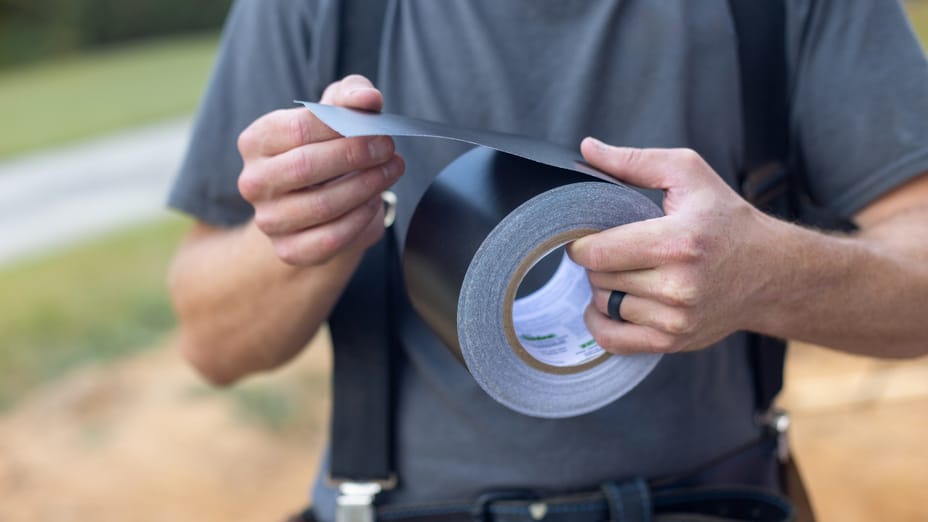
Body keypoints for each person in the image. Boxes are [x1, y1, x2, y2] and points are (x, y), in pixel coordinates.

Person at [167, 1, 928, 520]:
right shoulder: (318, 10)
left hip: (713, 503)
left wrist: (765, 275)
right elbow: (210, 343)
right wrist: (309, 238)